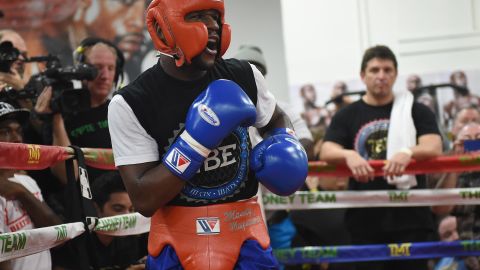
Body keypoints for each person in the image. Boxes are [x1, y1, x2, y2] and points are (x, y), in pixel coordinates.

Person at [107, 0, 308, 269]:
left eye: (216, 16)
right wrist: (195, 142)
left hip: (247, 236)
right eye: (198, 16)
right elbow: (144, 199)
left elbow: (275, 118)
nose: (213, 25)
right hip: (176, 245)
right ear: (163, 27)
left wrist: (283, 141)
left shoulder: (244, 75)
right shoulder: (132, 102)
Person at [320, 45, 442, 270]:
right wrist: (348, 154)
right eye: (374, 70)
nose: (381, 76)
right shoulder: (347, 114)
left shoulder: (415, 110)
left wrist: (408, 152)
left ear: (395, 74)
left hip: (411, 219)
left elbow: (434, 145)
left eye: (387, 70)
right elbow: (327, 150)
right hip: (366, 220)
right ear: (362, 76)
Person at [34, 37, 124, 183]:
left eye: (110, 68)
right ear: (81, 71)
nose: (105, 76)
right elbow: (67, 177)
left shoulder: (123, 112)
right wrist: (56, 118)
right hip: (82, 200)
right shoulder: (62, 115)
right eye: (97, 68)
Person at [0, 101, 61, 270]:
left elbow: (57, 237)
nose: (17, 139)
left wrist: (21, 192)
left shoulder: (27, 182)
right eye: (5, 131)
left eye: (19, 131)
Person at [90, 171, 147, 270]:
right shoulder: (78, 242)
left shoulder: (133, 238)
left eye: (131, 209)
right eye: (118, 209)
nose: (127, 217)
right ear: (97, 209)